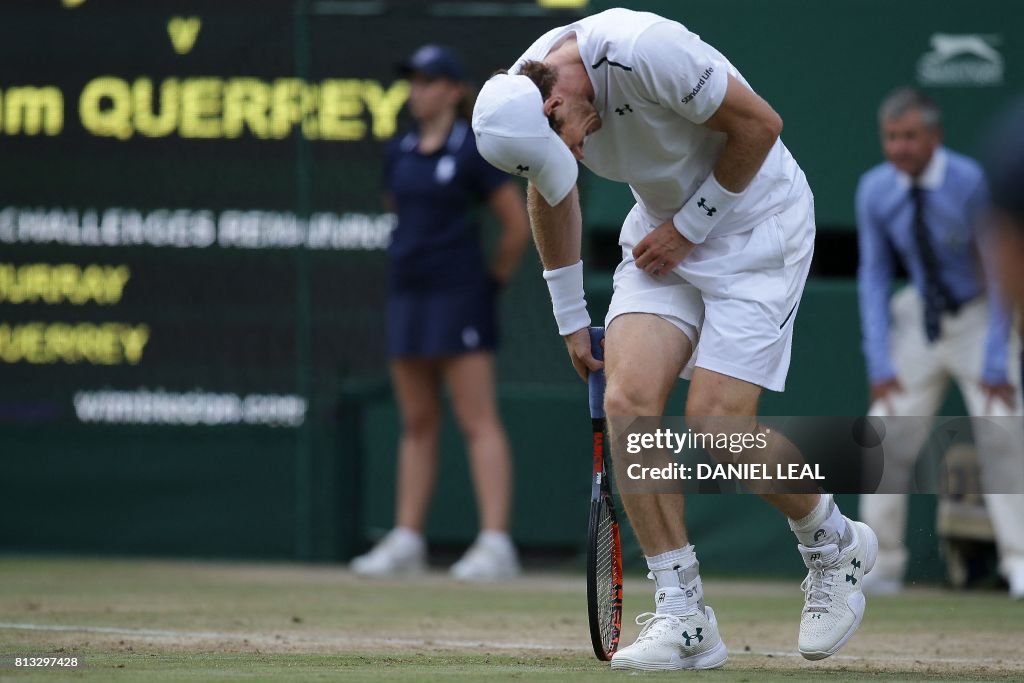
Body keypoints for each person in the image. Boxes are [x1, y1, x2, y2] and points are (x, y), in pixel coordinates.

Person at [471, 8, 877, 670]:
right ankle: (686, 616)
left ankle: (833, 542)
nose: (573, 155)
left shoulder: (644, 51)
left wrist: (691, 227)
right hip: (663, 240)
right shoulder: (529, 97)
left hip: (757, 228)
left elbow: (761, 126)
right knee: (630, 406)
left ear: (557, 99)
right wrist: (571, 318)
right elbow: (552, 195)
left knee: (717, 423)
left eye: (566, 138)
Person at [350, 45, 531, 581]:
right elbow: (399, 214)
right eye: (413, 81)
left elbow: (516, 228)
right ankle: (407, 539)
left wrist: (486, 285)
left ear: (454, 90)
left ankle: (496, 544)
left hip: (461, 297)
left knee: (477, 420)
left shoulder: (475, 150)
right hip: (408, 294)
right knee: (417, 421)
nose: (418, 91)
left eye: (430, 81)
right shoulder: (399, 149)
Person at [856, 87, 1024, 599]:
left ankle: (1019, 563)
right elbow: (874, 275)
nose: (900, 148)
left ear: (934, 136)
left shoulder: (971, 180)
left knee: (1005, 433)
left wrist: (998, 356)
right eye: (891, 137)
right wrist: (879, 360)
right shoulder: (875, 189)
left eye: (910, 137)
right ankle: (880, 563)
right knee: (883, 437)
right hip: (920, 319)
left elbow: (999, 268)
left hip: (980, 316)